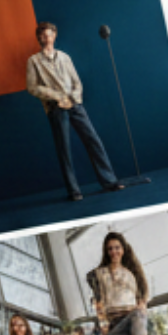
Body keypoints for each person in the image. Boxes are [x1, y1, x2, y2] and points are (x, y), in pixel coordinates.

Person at [24, 20, 126, 203]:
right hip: (55, 107)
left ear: (54, 36)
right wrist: (57, 97)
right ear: (39, 37)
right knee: (64, 149)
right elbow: (32, 87)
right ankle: (74, 191)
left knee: (93, 140)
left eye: (49, 34)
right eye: (43, 35)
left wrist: (72, 99)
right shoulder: (34, 61)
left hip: (75, 104)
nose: (46, 38)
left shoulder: (65, 57)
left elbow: (77, 82)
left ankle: (110, 181)